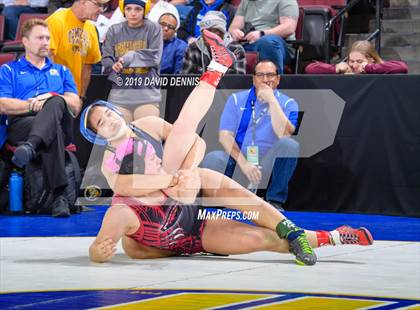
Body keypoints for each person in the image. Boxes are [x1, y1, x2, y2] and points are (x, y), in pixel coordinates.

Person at [81, 30, 374, 265]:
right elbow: (124, 193)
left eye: (108, 113)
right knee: (264, 241)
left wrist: (185, 171)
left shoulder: (145, 126)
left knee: (186, 133)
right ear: (99, 136)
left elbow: (194, 139)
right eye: (101, 123)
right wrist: (99, 253)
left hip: (187, 199)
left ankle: (217, 67)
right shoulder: (118, 195)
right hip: (196, 235)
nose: (108, 119)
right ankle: (333, 237)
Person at [0, 19, 81, 216]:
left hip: (60, 123)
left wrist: (52, 99)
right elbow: (2, 104)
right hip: (21, 124)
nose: (45, 42)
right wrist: (33, 105)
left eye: (47, 38)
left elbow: (76, 105)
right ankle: (60, 196)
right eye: (39, 38)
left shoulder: (62, 71)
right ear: (25, 41)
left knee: (55, 101)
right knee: (52, 126)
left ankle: (30, 146)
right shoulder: (9, 70)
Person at [201, 60, 299, 210]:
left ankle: (274, 201)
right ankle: (222, 203)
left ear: (278, 79)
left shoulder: (288, 103)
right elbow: (225, 137)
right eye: (260, 75)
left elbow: (284, 134)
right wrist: (245, 164)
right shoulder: (236, 99)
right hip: (240, 161)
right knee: (213, 158)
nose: (266, 79)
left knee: (290, 145)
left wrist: (272, 100)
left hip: (267, 163)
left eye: (270, 75)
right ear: (253, 79)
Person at [102, 0, 163, 122]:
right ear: (123, 10)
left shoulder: (153, 28)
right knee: (121, 139)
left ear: (144, 10)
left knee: (147, 137)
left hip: (147, 96)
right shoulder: (114, 30)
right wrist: (113, 66)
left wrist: (128, 58)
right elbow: (106, 59)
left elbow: (154, 57)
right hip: (119, 96)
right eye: (128, 9)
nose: (133, 13)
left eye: (138, 9)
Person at [46, 0, 109, 97]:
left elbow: (87, 67)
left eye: (103, 6)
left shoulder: (91, 28)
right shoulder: (56, 21)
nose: (101, 10)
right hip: (52, 93)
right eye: (98, 5)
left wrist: (81, 97)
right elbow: (46, 59)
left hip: (74, 96)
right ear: (83, 2)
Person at [228, 0, 299, 74]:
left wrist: (262, 33)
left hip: (278, 45)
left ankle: (270, 83)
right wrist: (235, 32)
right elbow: (233, 27)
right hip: (248, 42)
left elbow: (289, 27)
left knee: (267, 42)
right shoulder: (246, 1)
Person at [182, 10, 246, 75]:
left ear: (223, 33)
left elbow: (238, 80)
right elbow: (186, 80)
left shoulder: (236, 49)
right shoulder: (193, 48)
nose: (208, 35)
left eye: (213, 30)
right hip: (200, 85)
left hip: (226, 85)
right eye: (205, 31)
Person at [305, 40, 409, 74]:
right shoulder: (347, 69)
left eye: (359, 61)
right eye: (351, 61)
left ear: (371, 59)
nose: (354, 65)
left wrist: (369, 68)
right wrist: (335, 68)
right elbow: (309, 68)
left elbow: (402, 67)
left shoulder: (377, 68)